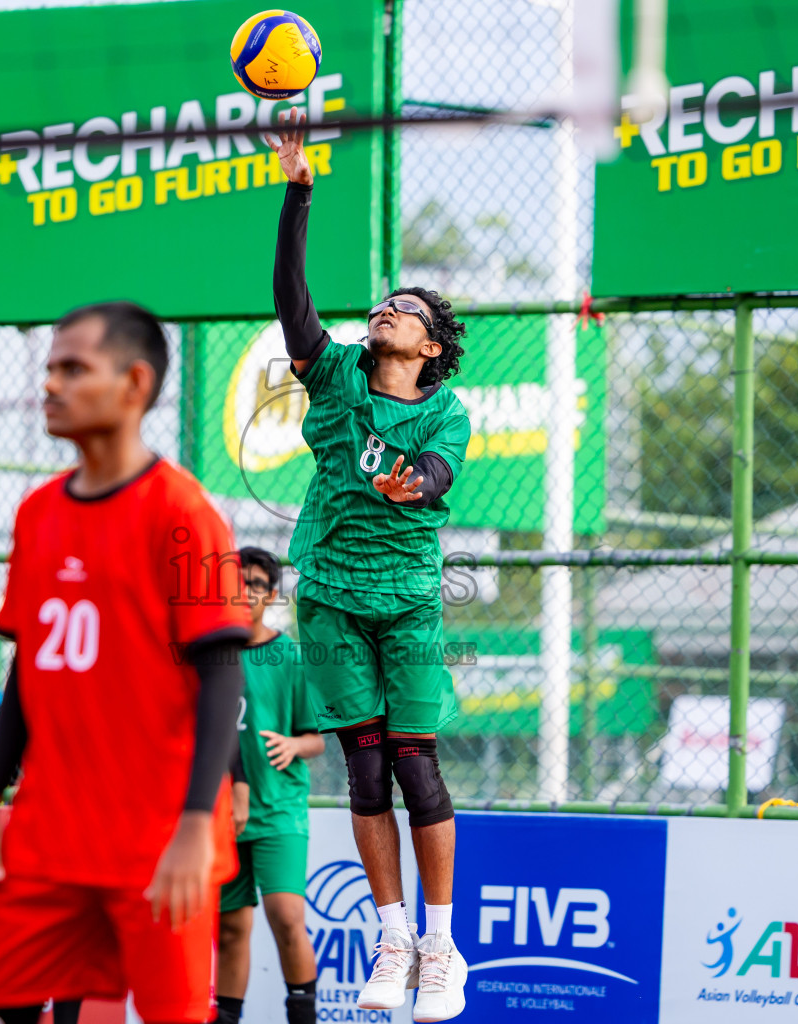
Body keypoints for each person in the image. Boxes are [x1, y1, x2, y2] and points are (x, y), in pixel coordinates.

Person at [0, 301, 250, 1024]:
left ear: (135, 385)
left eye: (73, 369)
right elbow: (29, 667)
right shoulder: (35, 512)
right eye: (49, 367)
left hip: (157, 843)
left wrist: (192, 826)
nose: (50, 384)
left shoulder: (184, 513)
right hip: (50, 837)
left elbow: (222, 676)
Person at [267, 110, 472, 1021]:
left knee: (416, 765)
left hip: (409, 601)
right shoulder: (339, 374)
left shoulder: (446, 412)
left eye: (409, 311)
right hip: (334, 599)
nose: (388, 307)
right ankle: (390, 938)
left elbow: (434, 478)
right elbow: (292, 304)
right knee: (362, 770)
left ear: (427, 348)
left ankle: (440, 946)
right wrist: (298, 191)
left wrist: (412, 483)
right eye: (387, 302)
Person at [216, 547, 324, 1024]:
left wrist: (294, 745)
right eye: (237, 583)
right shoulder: (211, 656)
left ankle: (302, 1012)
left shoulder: (289, 656)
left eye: (256, 584)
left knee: (285, 917)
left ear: (272, 595)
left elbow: (317, 739)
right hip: (222, 815)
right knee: (232, 928)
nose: (245, 592)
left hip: (278, 810)